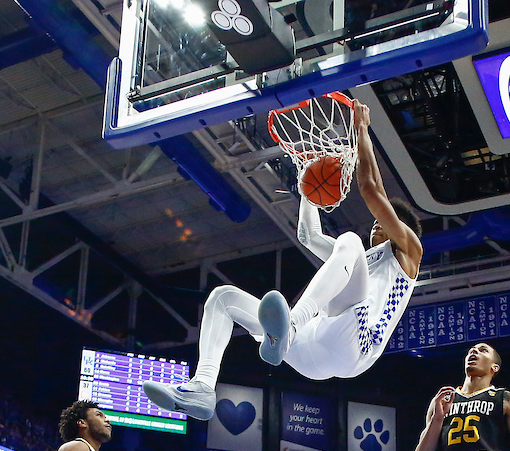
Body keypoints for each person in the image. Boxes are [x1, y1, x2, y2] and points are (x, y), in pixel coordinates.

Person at [142, 101, 423, 420]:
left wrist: (361, 130)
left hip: (355, 344)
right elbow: (308, 236)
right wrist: (308, 189)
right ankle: (203, 387)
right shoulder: (356, 259)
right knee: (222, 298)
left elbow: (371, 189)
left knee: (347, 241)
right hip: (310, 354)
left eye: (387, 221)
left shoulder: (408, 252)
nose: (377, 224)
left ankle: (290, 323)